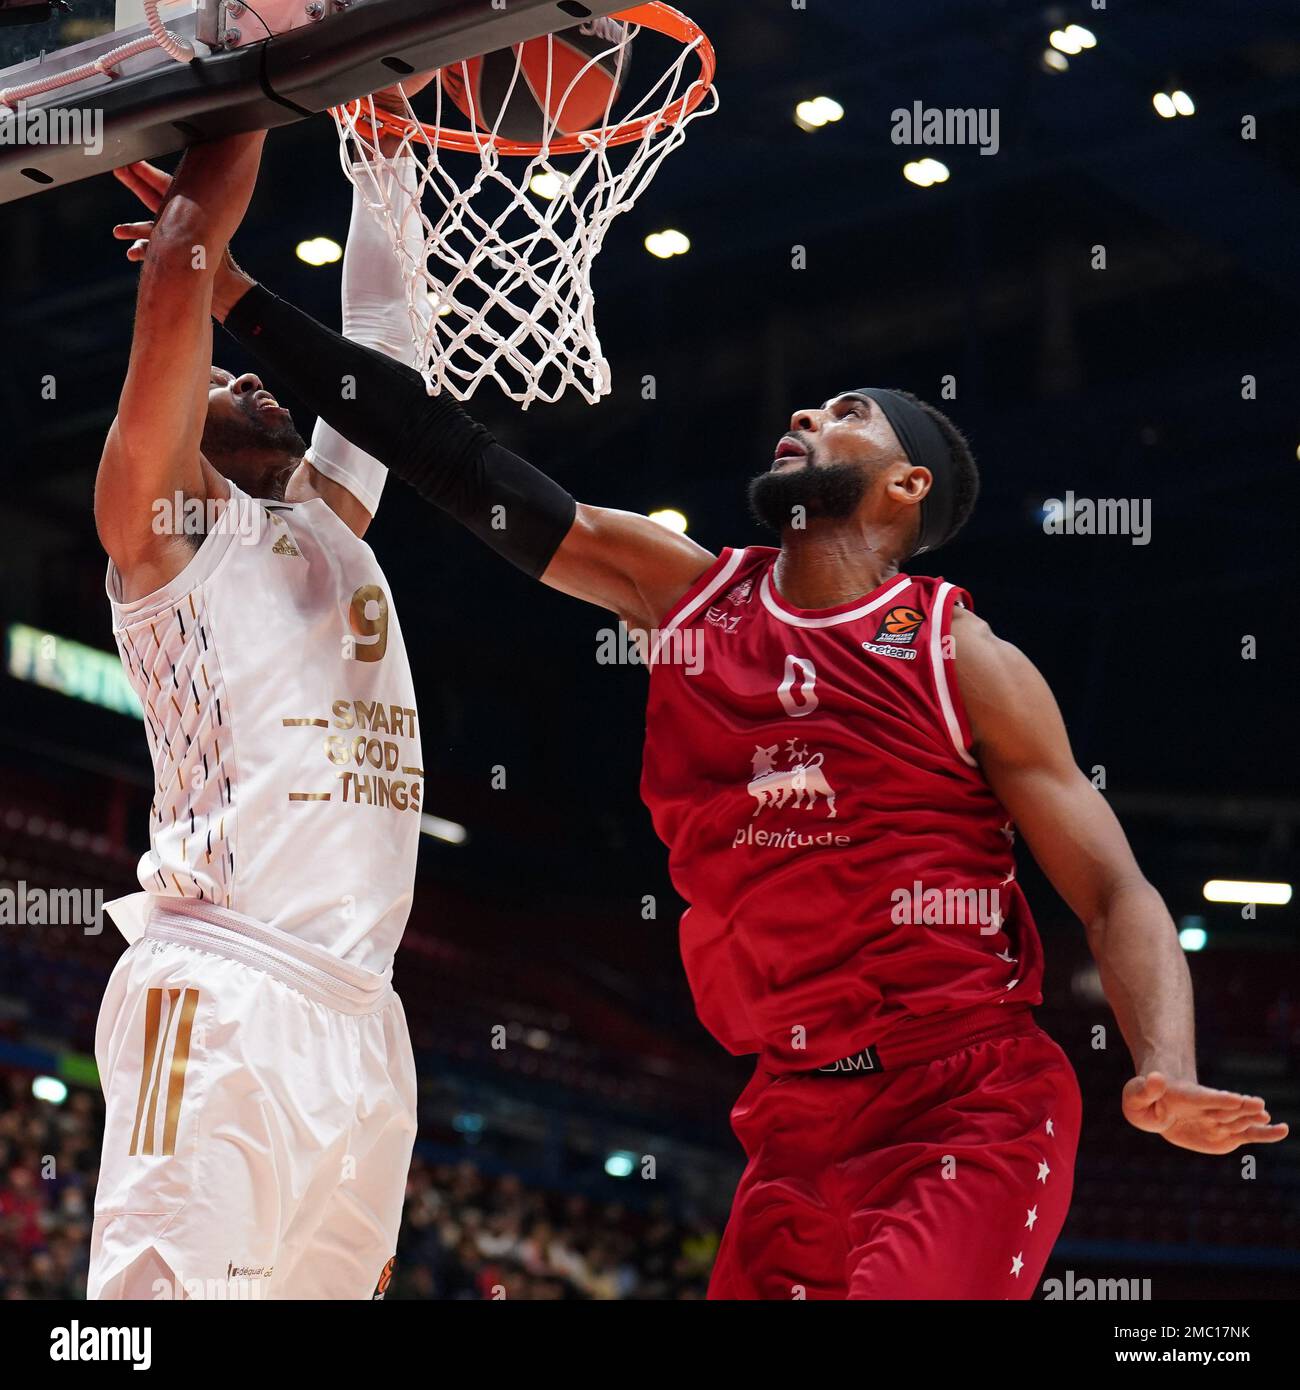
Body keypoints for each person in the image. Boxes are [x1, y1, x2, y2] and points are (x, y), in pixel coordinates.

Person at [129, 132, 1287, 1300]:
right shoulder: (681, 590)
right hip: (788, 1116)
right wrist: (234, 293)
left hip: (961, 1100)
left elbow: (1114, 890)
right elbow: (449, 455)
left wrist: (1164, 1068)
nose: (803, 411)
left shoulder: (957, 654)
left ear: (907, 485)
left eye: (846, 413)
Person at [89, 109, 434, 1298]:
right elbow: (175, 279)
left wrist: (379, 133)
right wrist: (258, 90)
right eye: (223, 381)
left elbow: (386, 340)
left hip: (362, 1014)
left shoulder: (327, 520)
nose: (252, 373)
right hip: (225, 985)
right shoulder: (167, 533)